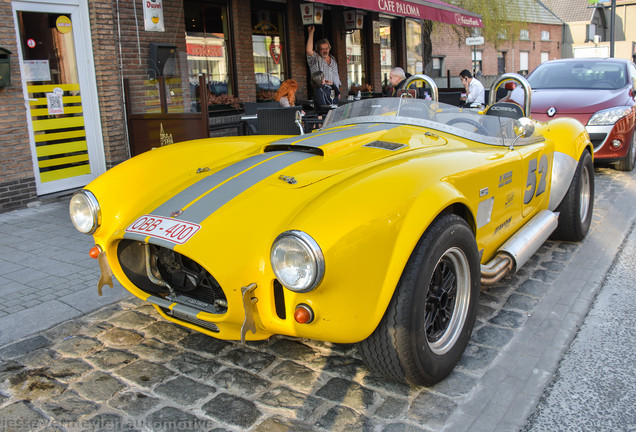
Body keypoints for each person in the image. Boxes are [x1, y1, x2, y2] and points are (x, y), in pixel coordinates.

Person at [306, 25, 341, 91]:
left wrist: (338, 90)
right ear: (318, 50)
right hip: (321, 91)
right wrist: (311, 33)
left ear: (329, 48)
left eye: (326, 48)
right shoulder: (315, 58)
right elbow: (308, 50)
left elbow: (336, 76)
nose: (325, 51)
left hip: (334, 91)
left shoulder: (333, 59)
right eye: (322, 49)